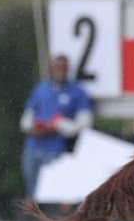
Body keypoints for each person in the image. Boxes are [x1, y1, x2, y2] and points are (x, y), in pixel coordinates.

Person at [19, 54, 93, 202]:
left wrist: (59, 127)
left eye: (63, 68)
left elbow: (84, 123)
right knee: (32, 192)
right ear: (50, 69)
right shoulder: (40, 89)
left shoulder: (77, 92)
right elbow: (27, 118)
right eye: (56, 67)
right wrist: (34, 129)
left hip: (56, 150)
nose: (59, 71)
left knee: (53, 194)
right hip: (33, 148)